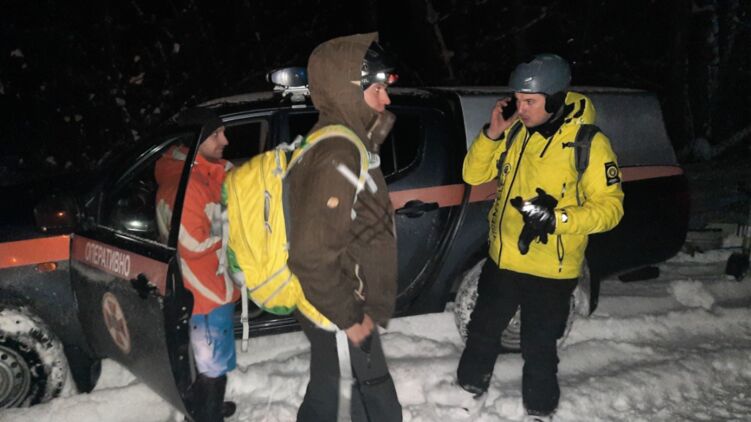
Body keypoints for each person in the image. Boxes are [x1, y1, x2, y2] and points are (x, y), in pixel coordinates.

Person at [457, 54, 624, 421]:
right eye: (518, 100)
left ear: (556, 98)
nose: (522, 109)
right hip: (503, 259)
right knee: (481, 331)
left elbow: (611, 209)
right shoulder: (516, 132)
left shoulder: (588, 144)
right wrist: (492, 133)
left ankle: (540, 410)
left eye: (530, 101)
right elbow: (472, 175)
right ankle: (467, 392)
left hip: (551, 270)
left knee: (539, 347)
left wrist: (558, 219)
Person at [286, 33, 403, 422]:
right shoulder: (338, 153)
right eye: (377, 90)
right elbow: (310, 256)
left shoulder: (342, 139)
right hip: (339, 311)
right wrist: (351, 319)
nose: (386, 100)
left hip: (341, 307)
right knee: (359, 402)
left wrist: (377, 126)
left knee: (334, 393)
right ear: (348, 90)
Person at [155, 108, 240, 422]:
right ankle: (208, 414)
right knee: (213, 363)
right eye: (216, 134)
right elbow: (191, 243)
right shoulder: (188, 184)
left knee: (209, 359)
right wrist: (235, 227)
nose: (225, 140)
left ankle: (207, 406)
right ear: (196, 140)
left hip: (207, 284)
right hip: (205, 291)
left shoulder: (198, 175)